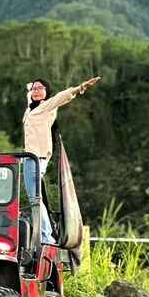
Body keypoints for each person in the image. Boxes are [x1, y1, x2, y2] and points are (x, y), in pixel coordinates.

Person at [22, 75, 100, 243]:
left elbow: (61, 96)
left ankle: (46, 236)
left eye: (40, 88)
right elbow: (29, 92)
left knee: (35, 199)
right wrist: (32, 88)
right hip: (29, 157)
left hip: (37, 157)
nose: (35, 91)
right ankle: (45, 233)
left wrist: (79, 87)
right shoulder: (30, 108)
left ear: (46, 92)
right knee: (35, 198)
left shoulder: (47, 106)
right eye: (33, 89)